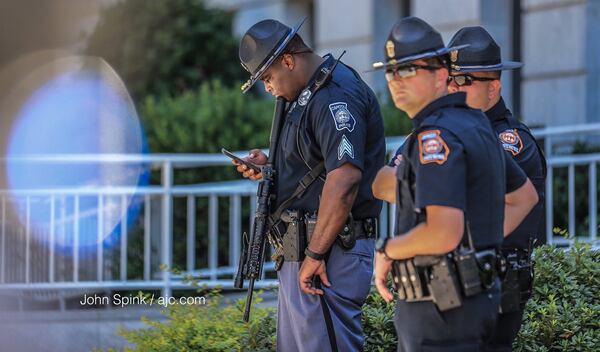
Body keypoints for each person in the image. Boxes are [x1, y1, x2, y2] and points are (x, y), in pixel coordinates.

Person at [371, 16, 539, 351]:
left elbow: (444, 232)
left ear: (440, 75)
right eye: (390, 71)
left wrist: (388, 249)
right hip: (464, 299)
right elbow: (521, 196)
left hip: (441, 308)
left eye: (407, 70)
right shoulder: (472, 124)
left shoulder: (438, 135)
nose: (395, 81)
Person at [234, 18, 385, 351]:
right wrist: (269, 168)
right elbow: (312, 165)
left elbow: (345, 178)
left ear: (288, 60)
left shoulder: (334, 93)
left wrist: (315, 254)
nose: (267, 88)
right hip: (304, 251)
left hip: (328, 254)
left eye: (268, 77)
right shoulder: (305, 95)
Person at [447, 26, 547, 351]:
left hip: (495, 281)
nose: (453, 87)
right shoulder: (454, 133)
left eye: (465, 80)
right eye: (450, 78)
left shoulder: (509, 141)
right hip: (458, 280)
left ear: (494, 88)